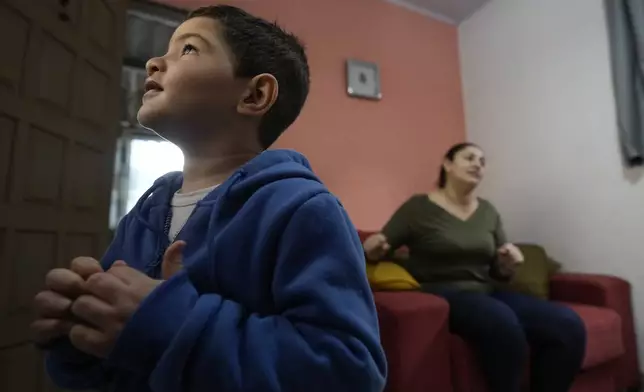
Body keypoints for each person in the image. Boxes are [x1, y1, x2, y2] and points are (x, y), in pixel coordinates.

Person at [31, 6, 386, 392]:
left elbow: (349, 372)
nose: (153, 62)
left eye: (187, 49)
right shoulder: (146, 214)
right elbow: (114, 362)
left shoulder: (302, 209)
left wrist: (169, 324)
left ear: (254, 94)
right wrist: (80, 338)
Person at [363, 143, 586, 392]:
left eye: (482, 161)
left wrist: (506, 265)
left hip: (487, 290)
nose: (477, 164)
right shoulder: (417, 208)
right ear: (447, 165)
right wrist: (372, 249)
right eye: (469, 158)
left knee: (567, 324)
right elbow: (377, 249)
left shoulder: (488, 211)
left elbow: (499, 271)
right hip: (442, 292)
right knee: (502, 323)